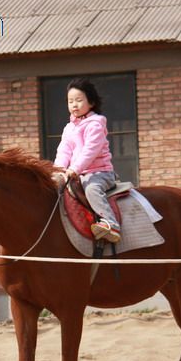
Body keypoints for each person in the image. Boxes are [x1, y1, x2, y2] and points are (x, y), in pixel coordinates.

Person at [53, 78, 120, 243]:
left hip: (100, 173)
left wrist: (74, 169)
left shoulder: (96, 124)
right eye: (70, 101)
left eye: (79, 100)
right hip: (77, 174)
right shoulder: (69, 128)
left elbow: (90, 151)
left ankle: (111, 224)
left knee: (92, 189)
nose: (74, 104)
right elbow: (64, 150)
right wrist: (59, 170)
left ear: (91, 102)